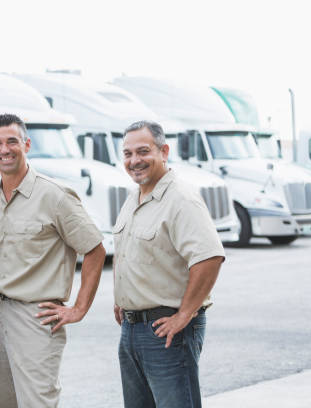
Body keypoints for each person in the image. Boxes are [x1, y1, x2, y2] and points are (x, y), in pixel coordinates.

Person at [0, 113, 106, 407]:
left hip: (37, 317)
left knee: (38, 403)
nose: (4, 149)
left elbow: (94, 249)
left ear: (27, 144)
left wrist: (79, 308)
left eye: (12, 141)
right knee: (2, 402)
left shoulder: (55, 196)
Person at [113, 120, 225, 408]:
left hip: (166, 331)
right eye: (128, 154)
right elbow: (126, 251)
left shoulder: (181, 199)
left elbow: (209, 257)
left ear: (164, 151)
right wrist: (121, 299)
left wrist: (184, 315)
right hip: (132, 328)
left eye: (143, 151)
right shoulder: (134, 198)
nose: (134, 161)